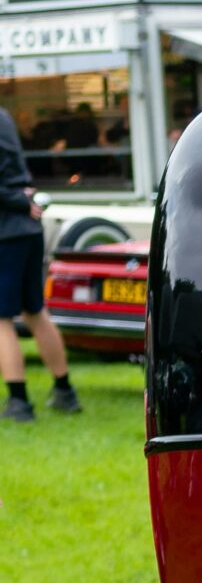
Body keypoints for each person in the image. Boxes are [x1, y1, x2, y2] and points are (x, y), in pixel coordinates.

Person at [0, 108, 80, 424]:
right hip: (26, 228)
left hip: (6, 231)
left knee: (2, 319)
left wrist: (19, 201)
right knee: (35, 310)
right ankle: (65, 391)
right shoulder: (5, 116)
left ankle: (18, 402)